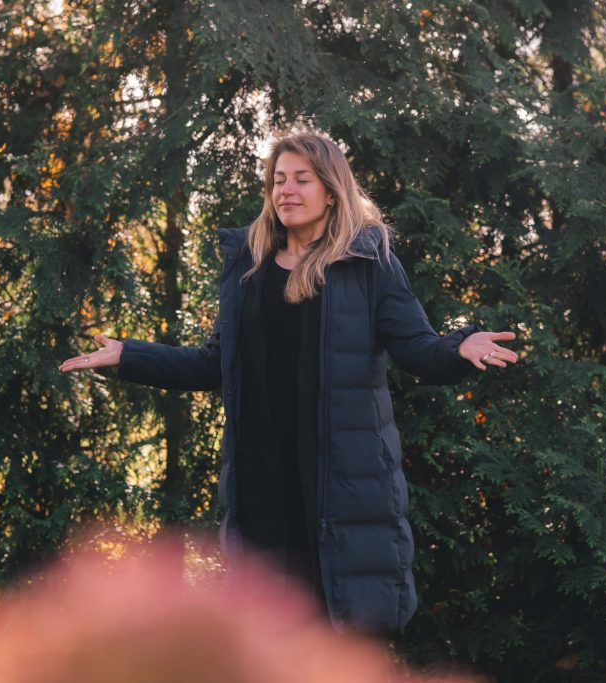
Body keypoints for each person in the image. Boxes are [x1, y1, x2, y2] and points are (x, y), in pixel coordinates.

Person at [59, 129, 519, 635]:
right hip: (261, 488)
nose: (287, 191)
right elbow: (214, 364)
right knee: (267, 643)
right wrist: (130, 354)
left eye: (302, 179)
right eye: (278, 180)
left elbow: (417, 349)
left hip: (338, 488)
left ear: (331, 189)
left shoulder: (368, 263)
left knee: (338, 638)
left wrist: (459, 346)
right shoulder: (248, 268)